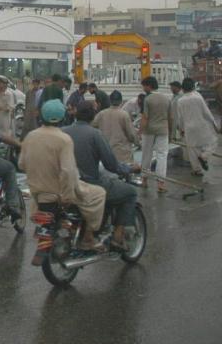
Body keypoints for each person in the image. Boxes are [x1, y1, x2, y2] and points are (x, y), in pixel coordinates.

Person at [19, 100, 106, 252]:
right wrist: (67, 197)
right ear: (62, 117)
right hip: (58, 192)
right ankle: (88, 238)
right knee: (99, 193)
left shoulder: (30, 136)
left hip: (37, 193)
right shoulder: (63, 139)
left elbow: (21, 164)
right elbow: (68, 172)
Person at [63, 101, 138, 250]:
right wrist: (129, 169)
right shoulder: (95, 134)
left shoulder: (63, 131)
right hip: (89, 184)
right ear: (93, 116)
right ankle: (117, 236)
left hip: (65, 184)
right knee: (130, 193)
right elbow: (112, 165)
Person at [175, 78, 218, 177]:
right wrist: (214, 124)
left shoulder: (180, 101)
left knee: (193, 149)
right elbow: (206, 112)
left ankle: (197, 170)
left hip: (189, 128)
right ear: (193, 87)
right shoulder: (198, 98)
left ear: (183, 88)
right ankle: (204, 156)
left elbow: (180, 117)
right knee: (212, 141)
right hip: (201, 125)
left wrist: (181, 128)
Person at [140, 76, 171, 193]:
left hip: (149, 131)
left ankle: (144, 180)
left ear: (149, 86)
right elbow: (170, 117)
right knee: (162, 155)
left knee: (146, 154)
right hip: (163, 130)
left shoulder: (147, 99)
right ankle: (161, 184)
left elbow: (145, 117)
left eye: (144, 86)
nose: (143, 88)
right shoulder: (167, 98)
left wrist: (139, 131)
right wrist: (171, 132)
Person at [93, 91, 139, 163]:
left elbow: (92, 127)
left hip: (105, 152)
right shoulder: (124, 114)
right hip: (122, 154)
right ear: (121, 101)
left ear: (110, 101)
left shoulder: (101, 114)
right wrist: (138, 143)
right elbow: (131, 135)